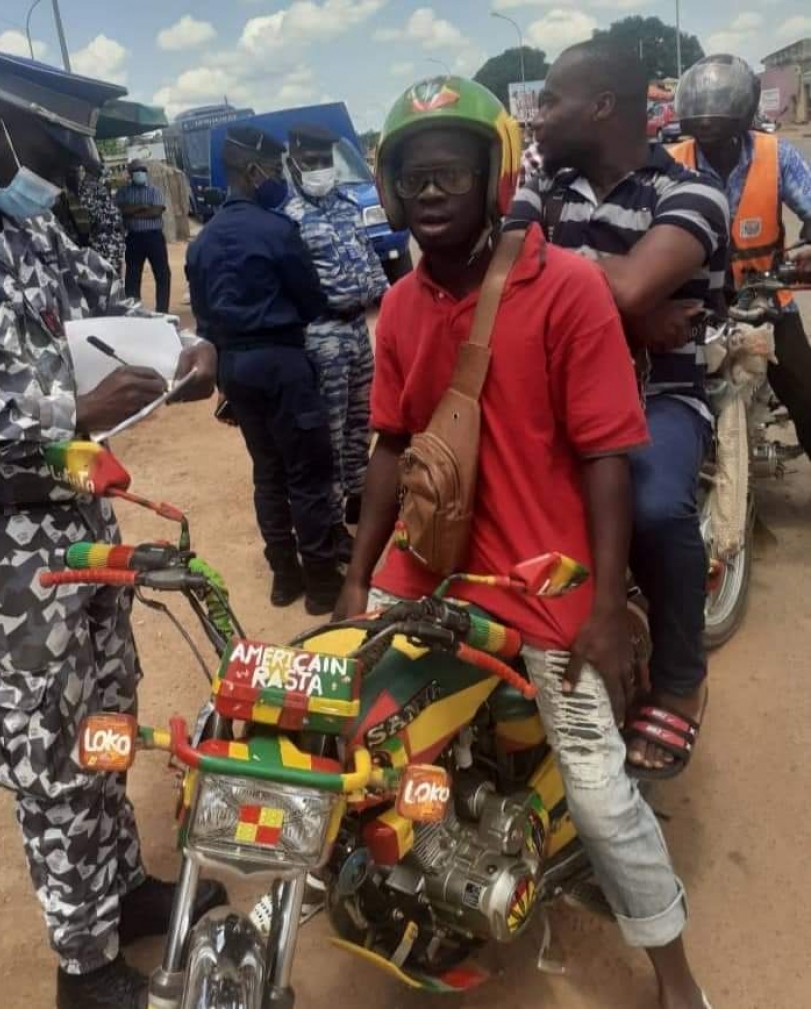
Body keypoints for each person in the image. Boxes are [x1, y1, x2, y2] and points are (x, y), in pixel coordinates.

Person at [336, 74, 710, 1009]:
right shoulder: (402, 307)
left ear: (495, 179)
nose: (429, 194)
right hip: (428, 564)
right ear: (390, 191)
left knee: (597, 788)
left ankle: (676, 977)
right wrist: (354, 584)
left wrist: (609, 609)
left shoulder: (570, 288)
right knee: (348, 734)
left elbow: (607, 457)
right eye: (412, 179)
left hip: (547, 576)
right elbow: (389, 444)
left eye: (449, 175)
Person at [0, 48, 223, 1009]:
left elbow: (105, 305)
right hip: (0, 550)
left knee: (106, 712)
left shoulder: (25, 228)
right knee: (45, 744)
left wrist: (181, 344)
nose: (70, 177)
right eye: (56, 150)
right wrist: (63, 413)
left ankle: (120, 885)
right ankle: (81, 967)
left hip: (77, 522)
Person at [505, 40, 731, 778]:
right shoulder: (547, 186)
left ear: (601, 107)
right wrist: (627, 308)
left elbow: (631, 286)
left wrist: (598, 289)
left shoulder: (691, 194)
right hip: (556, 396)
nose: (537, 118)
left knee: (655, 504)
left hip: (658, 396)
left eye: (552, 102)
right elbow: (502, 274)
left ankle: (680, 678)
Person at [186, 124, 343, 615]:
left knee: (267, 473)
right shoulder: (278, 230)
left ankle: (283, 577)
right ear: (252, 172)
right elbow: (313, 301)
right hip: (283, 366)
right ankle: (321, 585)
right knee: (307, 474)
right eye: (273, 169)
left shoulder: (202, 243)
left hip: (235, 369)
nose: (278, 177)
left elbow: (203, 319)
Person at [671, 53, 811, 459]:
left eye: (720, 104)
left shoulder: (776, 155)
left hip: (765, 301)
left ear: (743, 108)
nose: (708, 117)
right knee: (667, 389)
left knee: (804, 389)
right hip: (695, 303)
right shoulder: (672, 161)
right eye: (700, 105)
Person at [283, 124, 388, 559]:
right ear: (292, 164)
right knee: (329, 429)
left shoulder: (347, 206)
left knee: (361, 418)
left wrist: (386, 295)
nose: (319, 170)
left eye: (324, 161)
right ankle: (330, 520)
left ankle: (360, 498)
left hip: (357, 329)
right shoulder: (288, 218)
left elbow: (369, 259)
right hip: (321, 333)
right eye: (309, 163)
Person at [116, 160, 171, 313]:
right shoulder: (123, 192)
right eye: (136, 170)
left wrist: (133, 212)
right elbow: (121, 211)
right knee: (133, 276)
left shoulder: (155, 191)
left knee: (162, 274)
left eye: (142, 169)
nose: (140, 172)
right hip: (134, 239)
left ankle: (162, 311)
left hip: (154, 238)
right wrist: (143, 207)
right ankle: (135, 312)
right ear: (130, 173)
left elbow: (156, 212)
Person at [80, 164, 126, 273]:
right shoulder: (87, 186)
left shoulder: (99, 184)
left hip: (113, 235)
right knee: (108, 273)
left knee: (117, 271)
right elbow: (88, 207)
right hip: (104, 237)